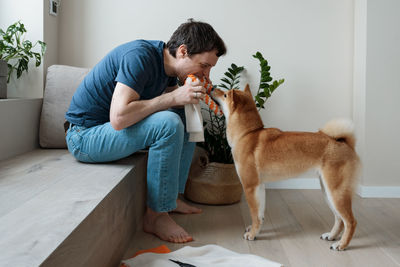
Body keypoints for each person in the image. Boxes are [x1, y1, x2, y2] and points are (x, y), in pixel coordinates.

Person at [64, 19, 226, 243]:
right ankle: (156, 216)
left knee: (186, 115)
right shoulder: (140, 57)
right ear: (183, 52)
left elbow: (168, 105)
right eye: (204, 66)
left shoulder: (168, 69)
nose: (206, 75)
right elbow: (119, 118)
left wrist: (185, 99)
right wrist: (173, 97)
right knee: (169, 122)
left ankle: (172, 197)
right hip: (84, 136)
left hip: (109, 133)